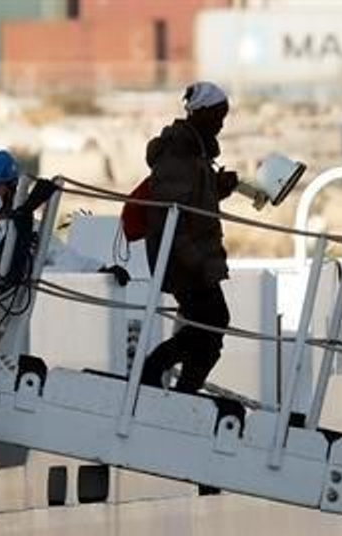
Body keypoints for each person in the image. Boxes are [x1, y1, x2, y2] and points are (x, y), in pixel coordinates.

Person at [139, 82, 237, 395]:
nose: (221, 123)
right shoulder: (179, 153)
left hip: (192, 256)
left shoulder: (194, 152)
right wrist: (198, 262)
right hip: (184, 258)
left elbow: (193, 201)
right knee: (213, 321)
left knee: (210, 324)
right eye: (219, 115)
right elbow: (173, 216)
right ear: (202, 112)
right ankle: (157, 367)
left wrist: (219, 187)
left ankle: (184, 389)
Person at [0, 149, 125, 281]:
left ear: (10, 188)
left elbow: (60, 255)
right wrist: (25, 214)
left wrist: (101, 269)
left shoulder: (32, 227)